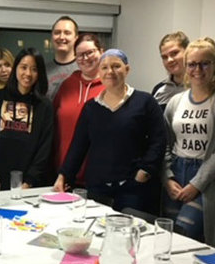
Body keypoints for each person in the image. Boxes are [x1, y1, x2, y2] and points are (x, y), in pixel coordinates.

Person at [53, 49, 167, 213]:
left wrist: (145, 171)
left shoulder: (145, 102)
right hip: (98, 187)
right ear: (99, 72)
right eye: (104, 67)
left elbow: (159, 140)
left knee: (129, 233)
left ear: (127, 70)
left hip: (133, 188)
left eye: (116, 66)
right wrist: (63, 175)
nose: (110, 72)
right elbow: (78, 145)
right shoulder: (91, 107)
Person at [162, 37, 215, 244]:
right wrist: (167, 177)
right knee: (168, 235)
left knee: (186, 233)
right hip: (176, 172)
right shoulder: (175, 102)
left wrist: (197, 184)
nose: (198, 69)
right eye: (192, 64)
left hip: (204, 177)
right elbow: (165, 143)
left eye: (204, 63)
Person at [0, 48, 53, 189]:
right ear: (15, 69)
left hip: (29, 184)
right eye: (23, 67)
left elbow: (45, 147)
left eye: (34, 69)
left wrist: (30, 181)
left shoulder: (44, 106)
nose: (28, 73)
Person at [52, 33, 105, 186]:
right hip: (63, 174)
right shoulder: (67, 85)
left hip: (96, 176)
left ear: (101, 51)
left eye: (90, 52)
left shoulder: (110, 87)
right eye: (80, 55)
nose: (85, 58)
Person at [151, 31, 190, 112]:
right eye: (164, 57)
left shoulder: (201, 86)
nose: (169, 60)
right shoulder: (159, 89)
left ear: (188, 52)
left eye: (174, 53)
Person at [45, 16, 79, 101]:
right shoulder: (43, 70)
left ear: (76, 38)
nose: (61, 37)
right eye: (57, 32)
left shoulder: (83, 69)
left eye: (67, 33)